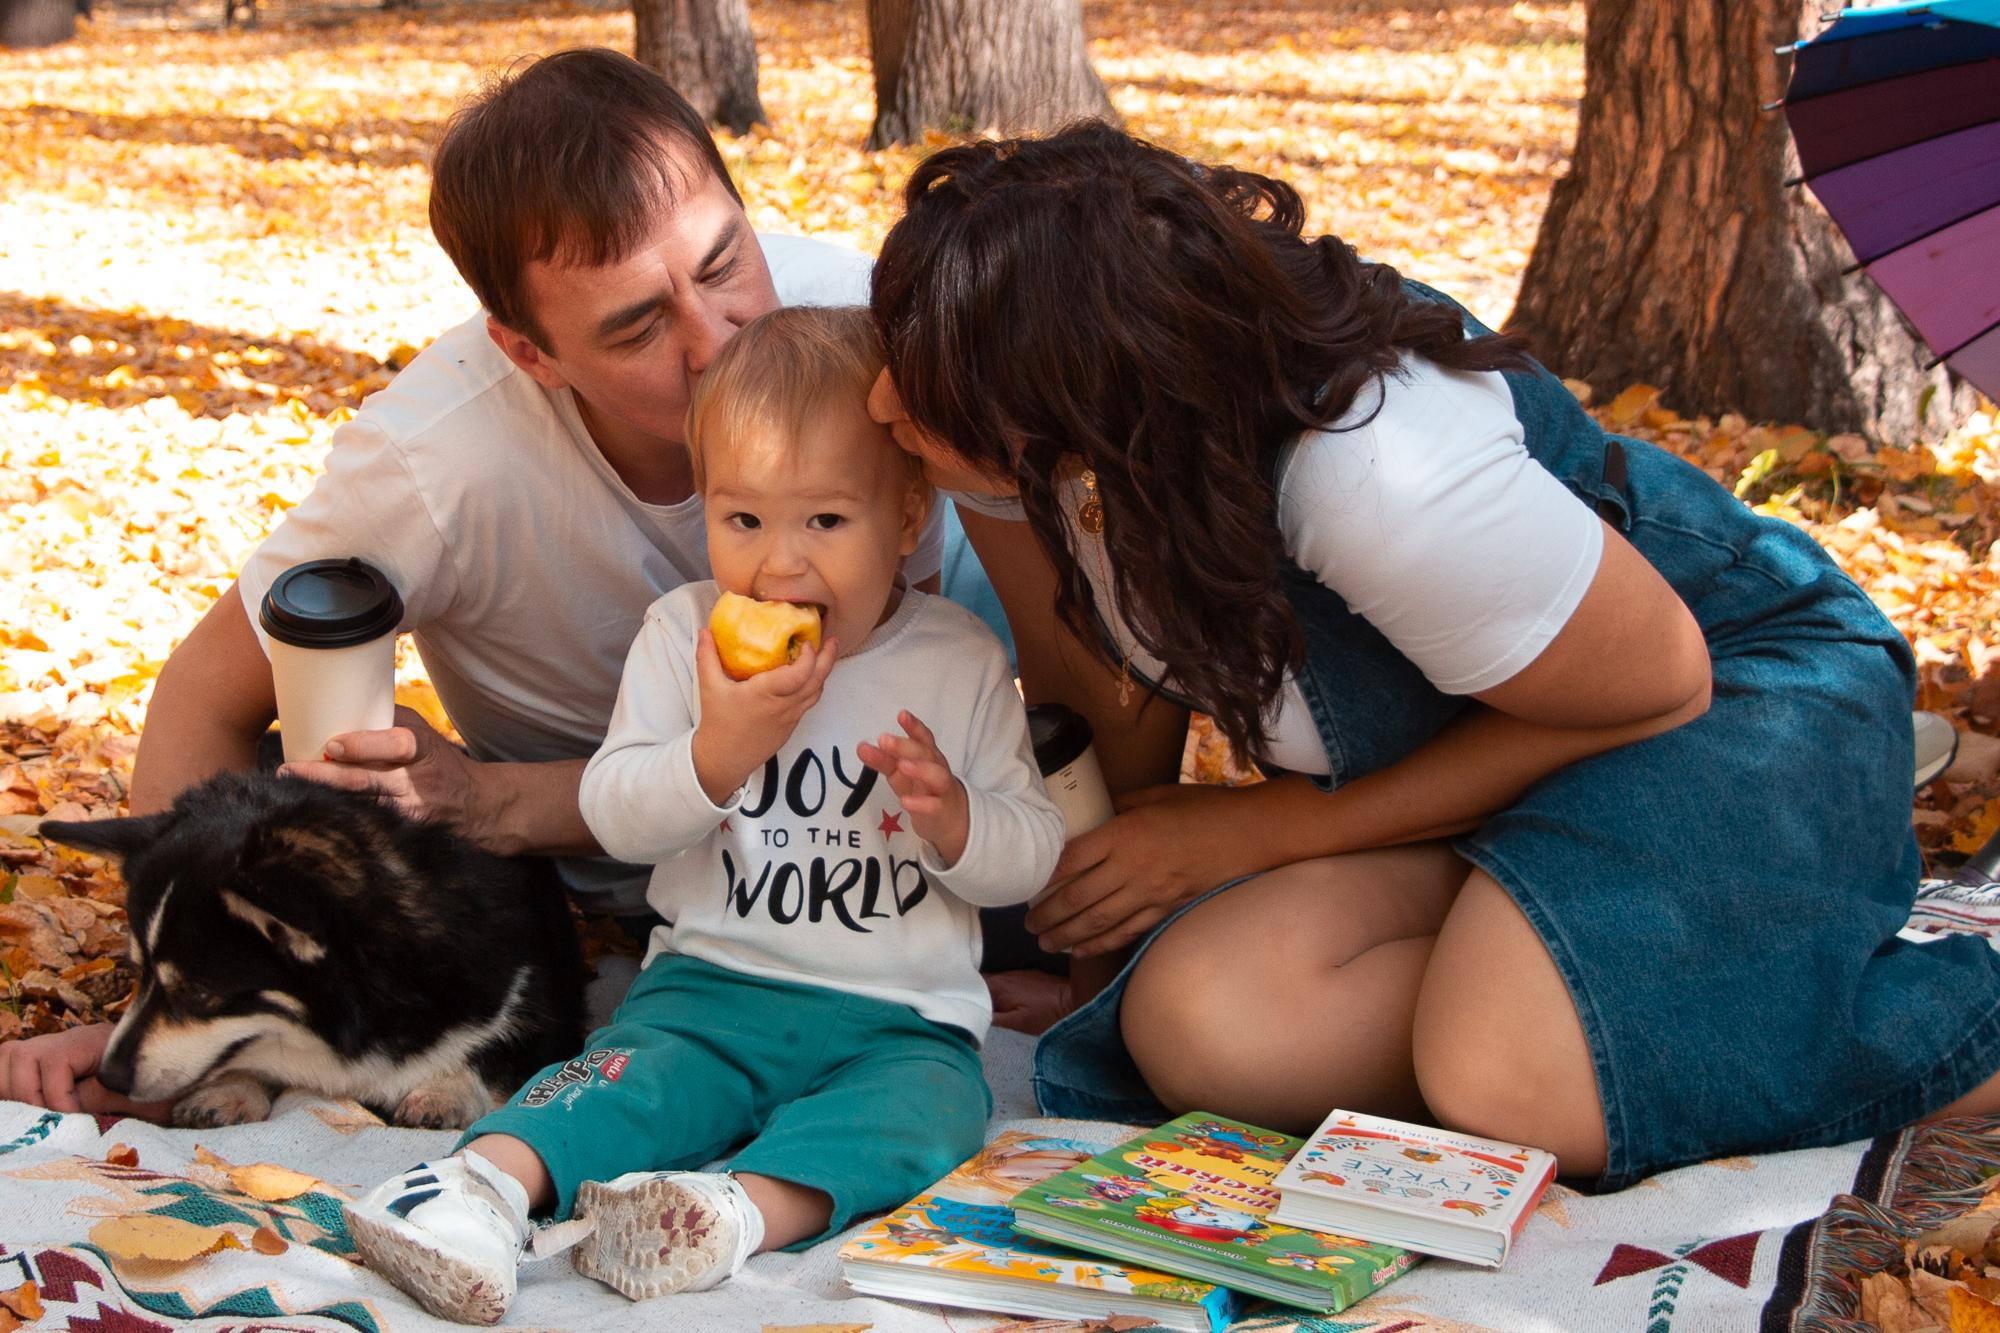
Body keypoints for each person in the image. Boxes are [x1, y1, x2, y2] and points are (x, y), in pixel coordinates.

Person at [862, 122, 2000, 1189]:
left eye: (916, 379)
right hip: (1487, 766)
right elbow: (1092, 702)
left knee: (1505, 1081)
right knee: (1198, 1024)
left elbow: (1659, 682)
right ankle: (1617, 984)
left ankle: (1940, 1024)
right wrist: (1089, 959)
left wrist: (1264, 828)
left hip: (1726, 697)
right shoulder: (1024, 449)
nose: (878, 401)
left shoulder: (1373, 474)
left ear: (1075, 408)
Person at [0, 47, 1009, 1117]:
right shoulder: (437, 457)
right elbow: (211, 689)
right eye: (635, 325)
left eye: (722, 263)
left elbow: (1060, 588)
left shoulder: (865, 324)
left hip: (935, 851)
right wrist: (168, 991)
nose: (721, 342)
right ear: (530, 353)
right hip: (642, 891)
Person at [340, 305, 1063, 1323]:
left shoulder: (956, 661)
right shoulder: (682, 636)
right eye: (742, 520)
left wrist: (956, 824)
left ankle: (723, 1215)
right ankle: (469, 1189)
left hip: (897, 1018)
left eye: (824, 521)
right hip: (711, 988)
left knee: (932, 1119)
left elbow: (1029, 856)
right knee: (618, 1082)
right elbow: (616, 813)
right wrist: (717, 750)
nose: (779, 564)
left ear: (906, 518)